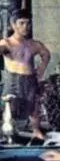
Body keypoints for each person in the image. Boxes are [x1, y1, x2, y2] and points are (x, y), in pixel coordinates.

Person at [0, 9, 50, 141]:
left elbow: (46, 54)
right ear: (13, 25)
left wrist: (42, 68)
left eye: (28, 23)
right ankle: (6, 132)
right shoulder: (7, 43)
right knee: (8, 105)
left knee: (34, 106)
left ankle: (36, 131)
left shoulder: (33, 44)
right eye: (21, 23)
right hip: (12, 79)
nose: (25, 27)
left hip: (29, 79)